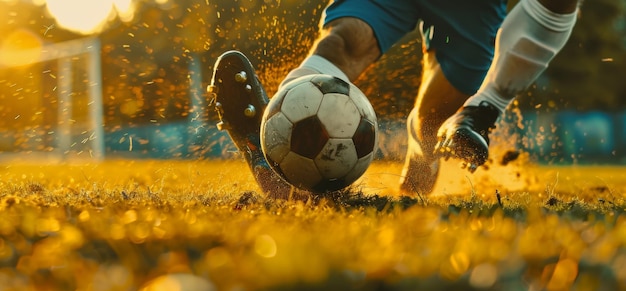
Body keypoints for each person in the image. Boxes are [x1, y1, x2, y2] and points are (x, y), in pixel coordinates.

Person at [207, 0, 580, 198]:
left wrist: (486, 106)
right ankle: (272, 153)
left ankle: (412, 186)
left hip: (473, 6)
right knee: (343, 42)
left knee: (432, 127)